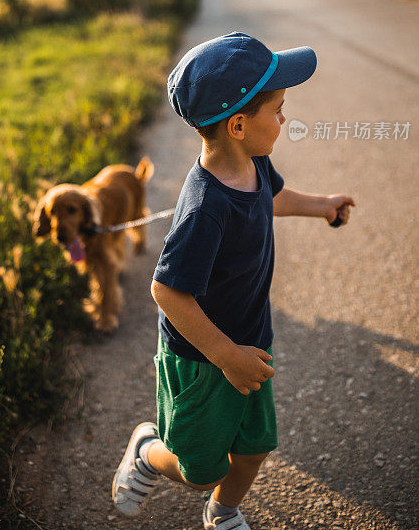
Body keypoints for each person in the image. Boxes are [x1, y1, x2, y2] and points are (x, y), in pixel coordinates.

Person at [112, 31, 355, 529]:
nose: (284, 118)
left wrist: (321, 206)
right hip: (204, 358)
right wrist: (226, 357)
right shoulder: (205, 209)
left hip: (248, 342)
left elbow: (271, 199)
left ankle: (222, 513)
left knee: (253, 450)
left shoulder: (254, 162)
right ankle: (146, 450)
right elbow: (166, 290)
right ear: (239, 124)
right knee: (199, 469)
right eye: (278, 109)